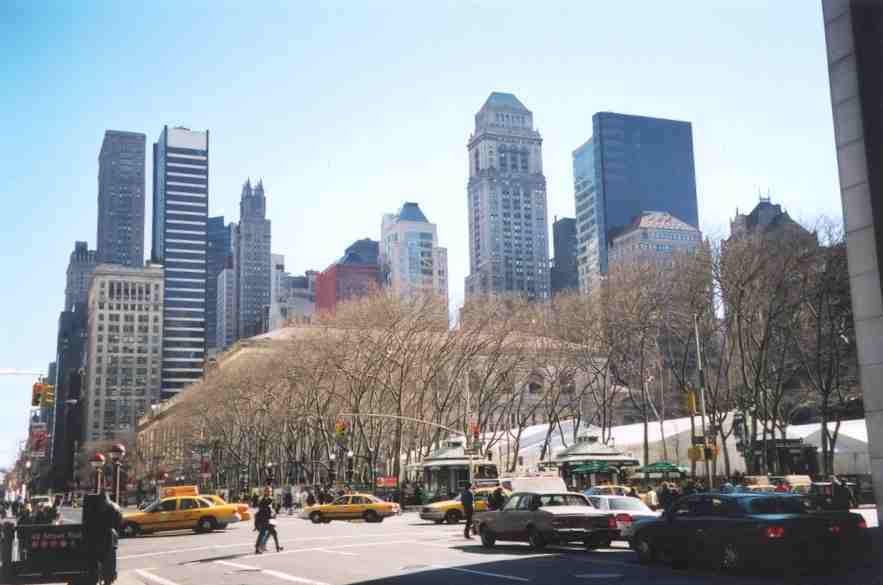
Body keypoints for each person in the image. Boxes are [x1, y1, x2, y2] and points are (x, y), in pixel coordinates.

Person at [254, 487, 275, 554]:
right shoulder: (262, 499)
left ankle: (263, 545)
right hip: (262, 518)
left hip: (270, 518)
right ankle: (257, 548)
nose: (269, 492)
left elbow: (273, 508)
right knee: (262, 533)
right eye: (268, 491)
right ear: (265, 492)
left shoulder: (271, 499)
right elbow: (262, 508)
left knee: (270, 532)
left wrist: (274, 512)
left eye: (270, 491)